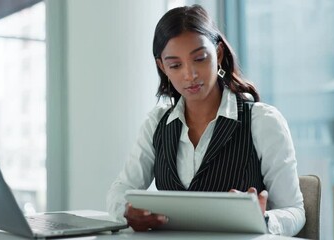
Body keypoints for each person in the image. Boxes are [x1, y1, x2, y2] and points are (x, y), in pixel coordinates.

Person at [106, 4, 305, 236]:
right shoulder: (157, 123)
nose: (190, 75)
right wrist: (127, 213)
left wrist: (265, 219)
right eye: (175, 65)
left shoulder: (262, 121)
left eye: (200, 59)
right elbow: (120, 191)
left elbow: (295, 211)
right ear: (162, 67)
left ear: (218, 54)